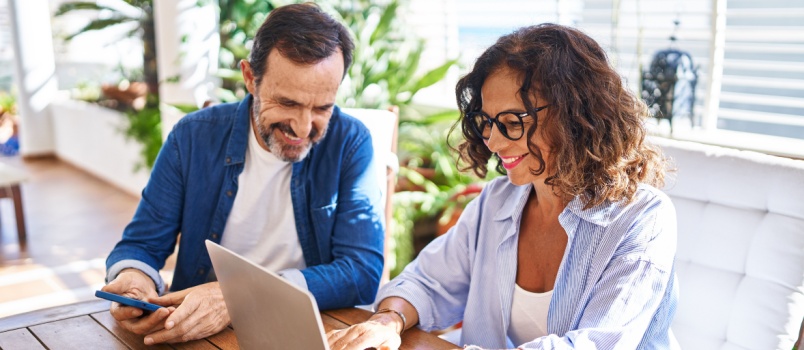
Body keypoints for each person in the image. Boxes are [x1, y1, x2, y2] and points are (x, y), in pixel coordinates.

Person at [327, 23, 679, 350]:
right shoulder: (498, 202)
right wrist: (390, 320)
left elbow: (594, 344)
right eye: (487, 122)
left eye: (511, 122)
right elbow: (428, 281)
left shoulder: (644, 219)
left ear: (574, 116)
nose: (493, 142)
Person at [101, 3, 385, 345]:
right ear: (251, 78)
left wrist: (239, 297)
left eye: (322, 107)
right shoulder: (192, 136)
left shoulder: (351, 142)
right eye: (288, 103)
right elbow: (142, 243)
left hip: (308, 330)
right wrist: (134, 279)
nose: (304, 127)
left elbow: (362, 272)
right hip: (200, 333)